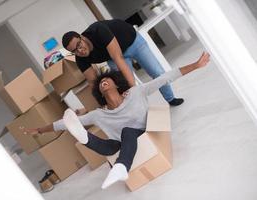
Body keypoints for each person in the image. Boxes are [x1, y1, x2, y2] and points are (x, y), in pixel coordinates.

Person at [26, 52, 210, 189]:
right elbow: (64, 123)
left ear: (116, 83)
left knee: (127, 131)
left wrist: (196, 65)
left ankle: (121, 166)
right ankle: (84, 138)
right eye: (100, 83)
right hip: (120, 145)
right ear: (99, 91)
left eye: (106, 79)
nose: (103, 82)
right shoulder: (99, 114)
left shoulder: (136, 93)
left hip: (144, 134)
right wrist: (40, 130)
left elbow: (164, 78)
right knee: (110, 144)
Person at [62, 19, 184, 106]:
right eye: (74, 51)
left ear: (82, 37)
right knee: (123, 86)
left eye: (79, 45)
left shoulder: (97, 30)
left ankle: (171, 99)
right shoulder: (80, 59)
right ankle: (142, 112)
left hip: (133, 43)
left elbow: (118, 58)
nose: (80, 51)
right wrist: (105, 105)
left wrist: (135, 90)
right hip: (113, 56)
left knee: (157, 72)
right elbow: (94, 83)